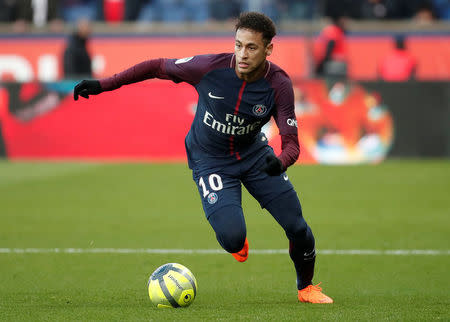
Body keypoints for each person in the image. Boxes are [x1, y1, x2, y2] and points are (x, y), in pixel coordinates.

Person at [73, 12, 333, 304]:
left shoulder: (279, 84)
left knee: (298, 227)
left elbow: (292, 144)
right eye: (238, 45)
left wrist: (280, 162)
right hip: (210, 160)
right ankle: (236, 238)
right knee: (233, 238)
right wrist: (103, 85)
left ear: (268, 49)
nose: (242, 54)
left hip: (256, 156)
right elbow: (157, 66)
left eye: (251, 47)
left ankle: (306, 288)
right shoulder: (209, 67)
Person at [314, 13, 348, 79]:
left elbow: (330, 47)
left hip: (333, 63)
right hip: (335, 64)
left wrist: (322, 63)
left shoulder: (332, 30)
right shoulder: (334, 30)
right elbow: (330, 45)